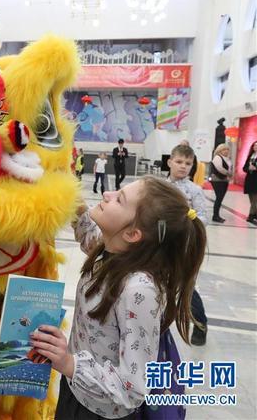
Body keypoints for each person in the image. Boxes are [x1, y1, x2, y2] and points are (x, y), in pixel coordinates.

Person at [30, 176, 206, 419]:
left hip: (101, 410)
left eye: (119, 199)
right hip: (77, 389)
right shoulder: (113, 250)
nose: (107, 194)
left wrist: (69, 363)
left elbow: (132, 389)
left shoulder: (139, 290)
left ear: (132, 234)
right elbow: (90, 236)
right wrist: (76, 205)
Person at [166, 144, 209, 345]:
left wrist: (189, 221)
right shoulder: (159, 186)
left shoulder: (194, 190)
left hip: (184, 246)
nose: (183, 166)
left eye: (188, 163)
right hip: (159, 243)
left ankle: (200, 324)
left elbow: (203, 218)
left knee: (185, 286)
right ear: (170, 162)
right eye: (179, 161)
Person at [210, 143, 233, 223]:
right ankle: (215, 216)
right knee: (219, 197)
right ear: (219, 150)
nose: (226, 151)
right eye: (224, 149)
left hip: (224, 180)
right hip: (217, 180)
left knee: (220, 198)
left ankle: (216, 215)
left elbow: (229, 168)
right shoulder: (217, 157)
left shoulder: (227, 158)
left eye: (227, 149)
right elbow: (220, 168)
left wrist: (230, 174)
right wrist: (228, 173)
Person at [242, 141, 257, 225]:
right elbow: (244, 168)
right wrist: (249, 168)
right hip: (249, 180)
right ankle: (255, 215)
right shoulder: (250, 156)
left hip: (256, 180)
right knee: (251, 199)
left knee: (255, 200)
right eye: (254, 145)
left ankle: (251, 216)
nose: (256, 147)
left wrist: (255, 168)